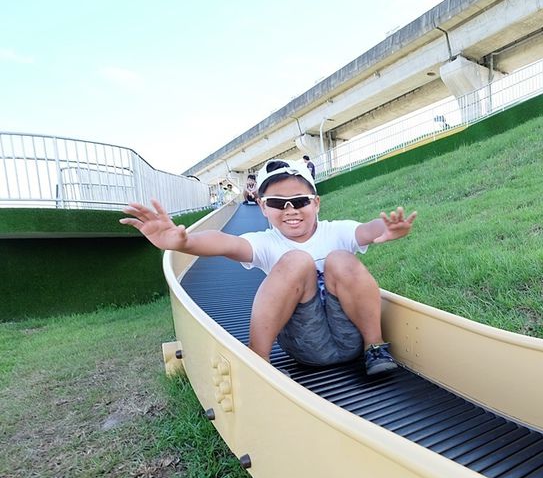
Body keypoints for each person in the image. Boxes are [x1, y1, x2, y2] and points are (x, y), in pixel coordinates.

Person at [120, 159, 416, 375]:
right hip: (306, 345)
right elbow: (225, 242)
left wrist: (386, 228)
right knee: (295, 262)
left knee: (341, 258)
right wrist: (183, 243)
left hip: (353, 337)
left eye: (299, 201)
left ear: (315, 203)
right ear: (262, 207)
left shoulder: (336, 231)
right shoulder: (265, 243)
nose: (290, 210)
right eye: (277, 202)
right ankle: (258, 362)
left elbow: (366, 230)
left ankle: (375, 348)